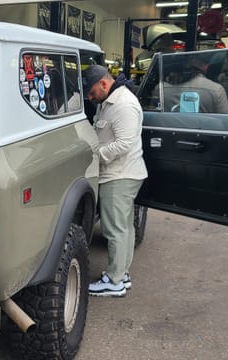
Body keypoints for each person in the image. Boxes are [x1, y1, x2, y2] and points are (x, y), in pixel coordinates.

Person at [82, 65, 148, 297]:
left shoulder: (124, 104)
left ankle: (114, 281)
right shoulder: (108, 101)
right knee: (124, 227)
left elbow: (124, 144)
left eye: (92, 92)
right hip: (121, 173)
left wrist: (93, 156)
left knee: (114, 229)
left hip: (119, 175)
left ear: (103, 83)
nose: (90, 98)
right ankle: (122, 274)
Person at [159, 54, 228, 114]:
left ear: (186, 64)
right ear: (206, 67)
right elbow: (225, 121)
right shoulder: (217, 89)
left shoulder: (160, 88)